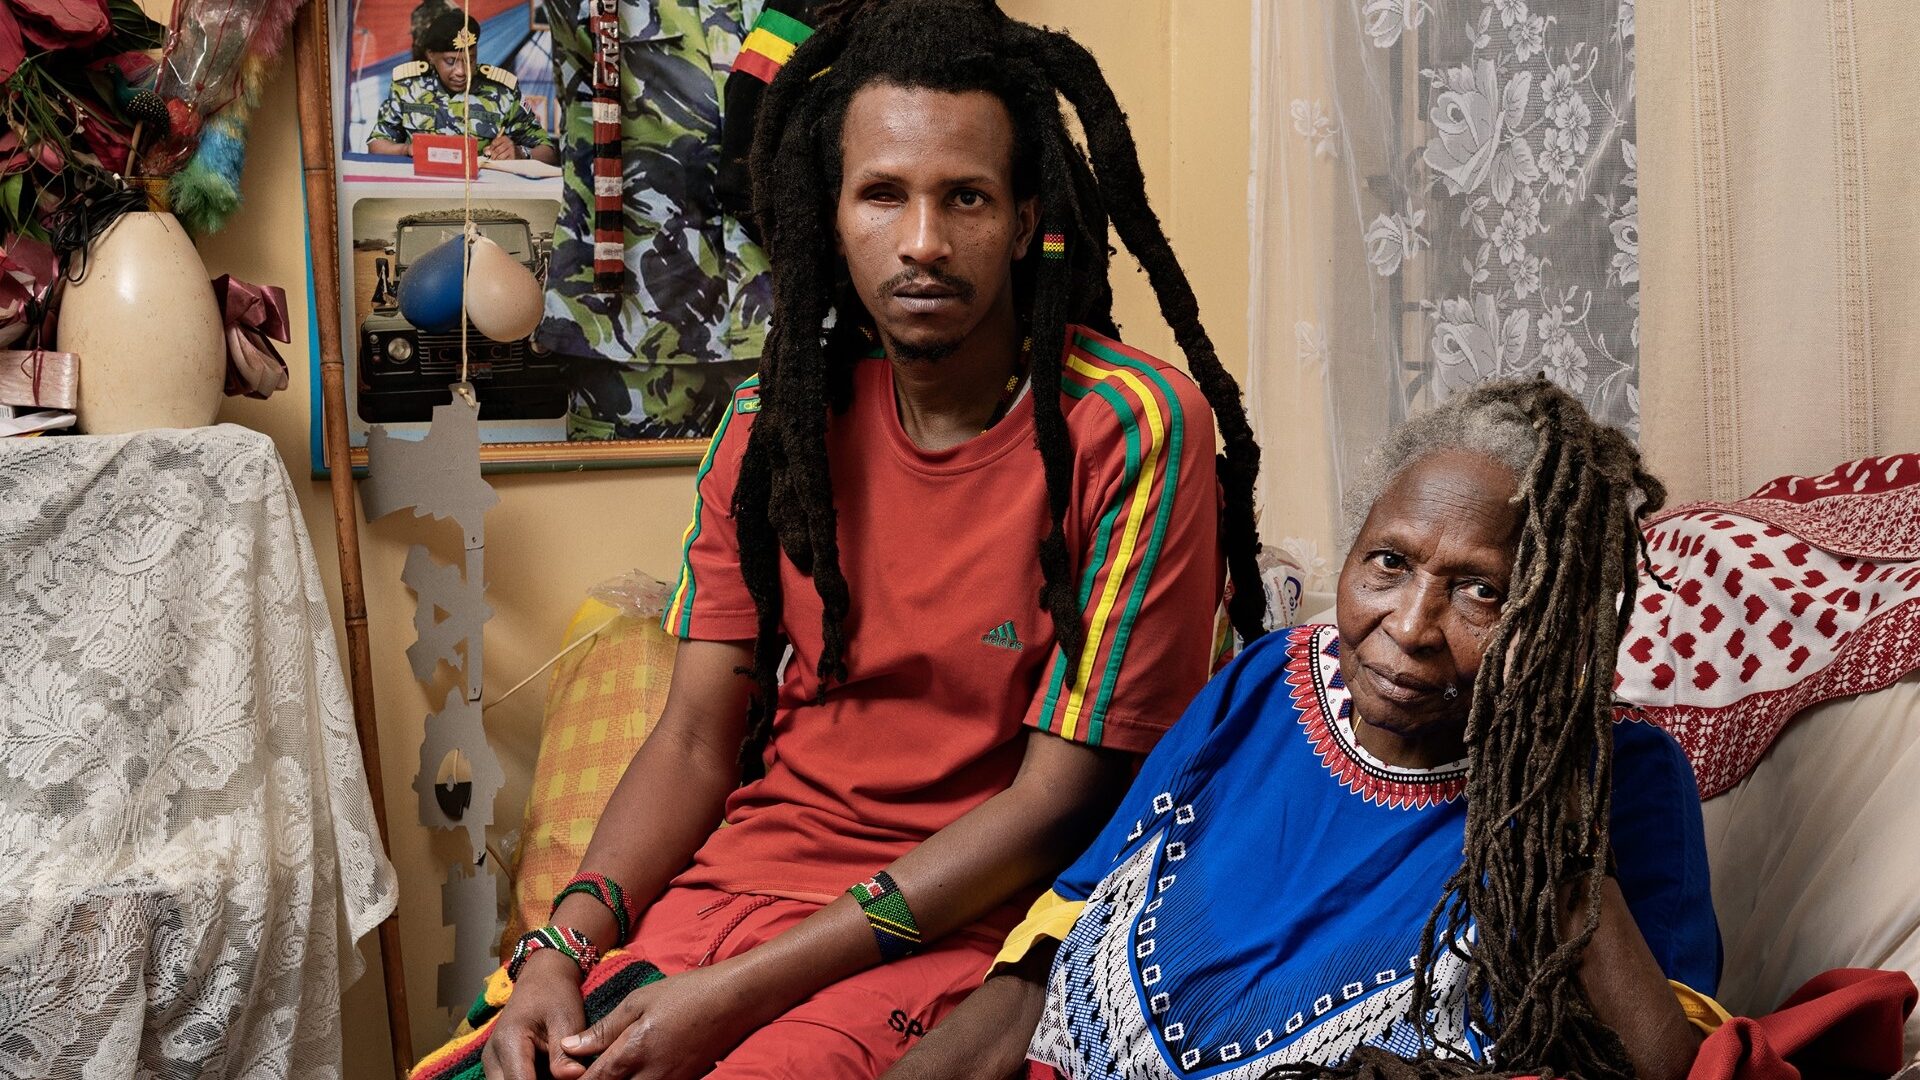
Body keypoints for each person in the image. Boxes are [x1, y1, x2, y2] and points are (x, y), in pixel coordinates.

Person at [412, 3, 1270, 1079]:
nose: (922, 240)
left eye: (965, 196)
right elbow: (691, 739)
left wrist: (732, 998)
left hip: (954, 929)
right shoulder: (772, 432)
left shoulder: (1132, 426)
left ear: (1023, 218)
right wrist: (558, 949)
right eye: (882, 194)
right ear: (829, 211)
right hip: (726, 904)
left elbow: (1059, 803)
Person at [885, 378, 1725, 1080]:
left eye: (1483, 592)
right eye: (1389, 563)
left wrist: (1548, 805)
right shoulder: (1268, 681)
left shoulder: (1620, 774)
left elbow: (1664, 1064)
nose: (1411, 625)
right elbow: (1050, 954)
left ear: (1558, 619)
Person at [367, 10, 560, 165]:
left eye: (470, 60)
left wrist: (520, 152)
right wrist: (405, 150)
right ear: (431, 56)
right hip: (420, 192)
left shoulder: (502, 92)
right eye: (451, 61)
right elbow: (376, 144)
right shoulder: (408, 88)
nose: (462, 71)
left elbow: (549, 152)